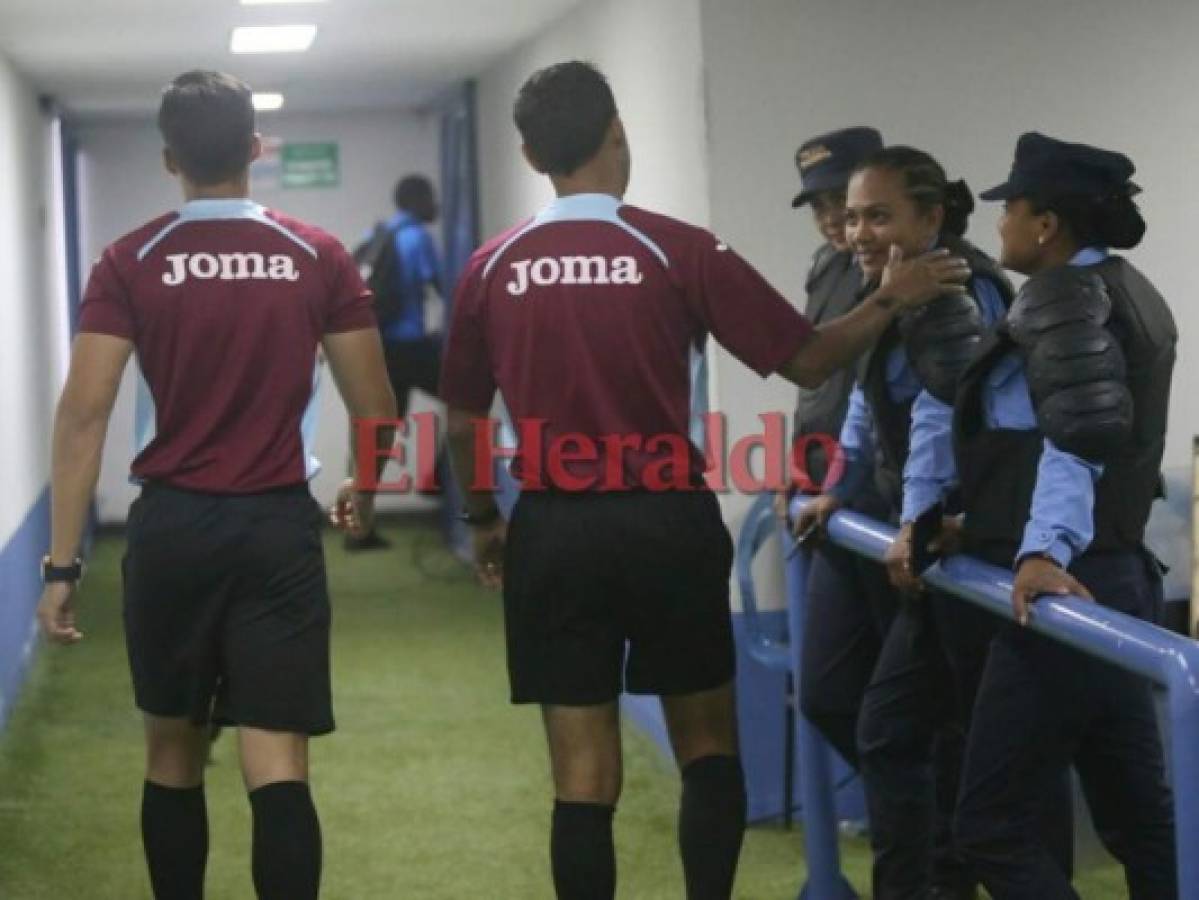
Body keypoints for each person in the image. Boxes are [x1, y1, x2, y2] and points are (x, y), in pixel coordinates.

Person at [438, 61, 970, 900]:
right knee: (707, 749)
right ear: (617, 133)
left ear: (531, 153)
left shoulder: (491, 265)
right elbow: (805, 357)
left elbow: (464, 418)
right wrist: (889, 299)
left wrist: (482, 519)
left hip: (553, 529)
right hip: (664, 524)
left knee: (581, 776)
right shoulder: (679, 249)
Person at [35, 70, 396, 900]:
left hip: (171, 532)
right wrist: (366, 492)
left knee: (172, 752)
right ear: (255, 150)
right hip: (275, 530)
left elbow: (83, 415)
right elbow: (374, 405)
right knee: (277, 761)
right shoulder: (318, 254)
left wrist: (62, 567)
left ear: (169, 159)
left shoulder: (130, 261)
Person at [938, 133, 1177, 898]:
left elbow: (1075, 442)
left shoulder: (1063, 297)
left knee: (990, 825)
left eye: (1010, 206)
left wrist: (1044, 553)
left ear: (1045, 225)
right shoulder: (1131, 287)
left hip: (1072, 581)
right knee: (1141, 821)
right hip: (1120, 574)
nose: (999, 221)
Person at [793, 145, 1015, 899]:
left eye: (877, 215)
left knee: (934, 738)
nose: (855, 231)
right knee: (864, 715)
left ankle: (937, 878)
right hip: (901, 532)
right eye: (851, 216)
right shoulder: (879, 286)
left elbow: (939, 413)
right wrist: (836, 487)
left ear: (930, 219)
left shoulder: (957, 287)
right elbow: (866, 397)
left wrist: (918, 519)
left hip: (964, 545)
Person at [777, 124, 904, 794]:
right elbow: (822, 383)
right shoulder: (828, 270)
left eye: (842, 202)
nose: (832, 219)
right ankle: (915, 817)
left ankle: (936, 843)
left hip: (890, 514)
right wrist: (796, 469)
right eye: (821, 207)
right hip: (835, 508)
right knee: (827, 694)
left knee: (911, 709)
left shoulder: (916, 274)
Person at [346, 174, 443, 551]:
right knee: (471, 402)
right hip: (410, 346)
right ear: (417, 200)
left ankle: (358, 528)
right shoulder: (417, 236)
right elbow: (442, 285)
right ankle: (441, 481)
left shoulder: (379, 233)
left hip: (380, 348)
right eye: (430, 198)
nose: (435, 205)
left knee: (377, 436)